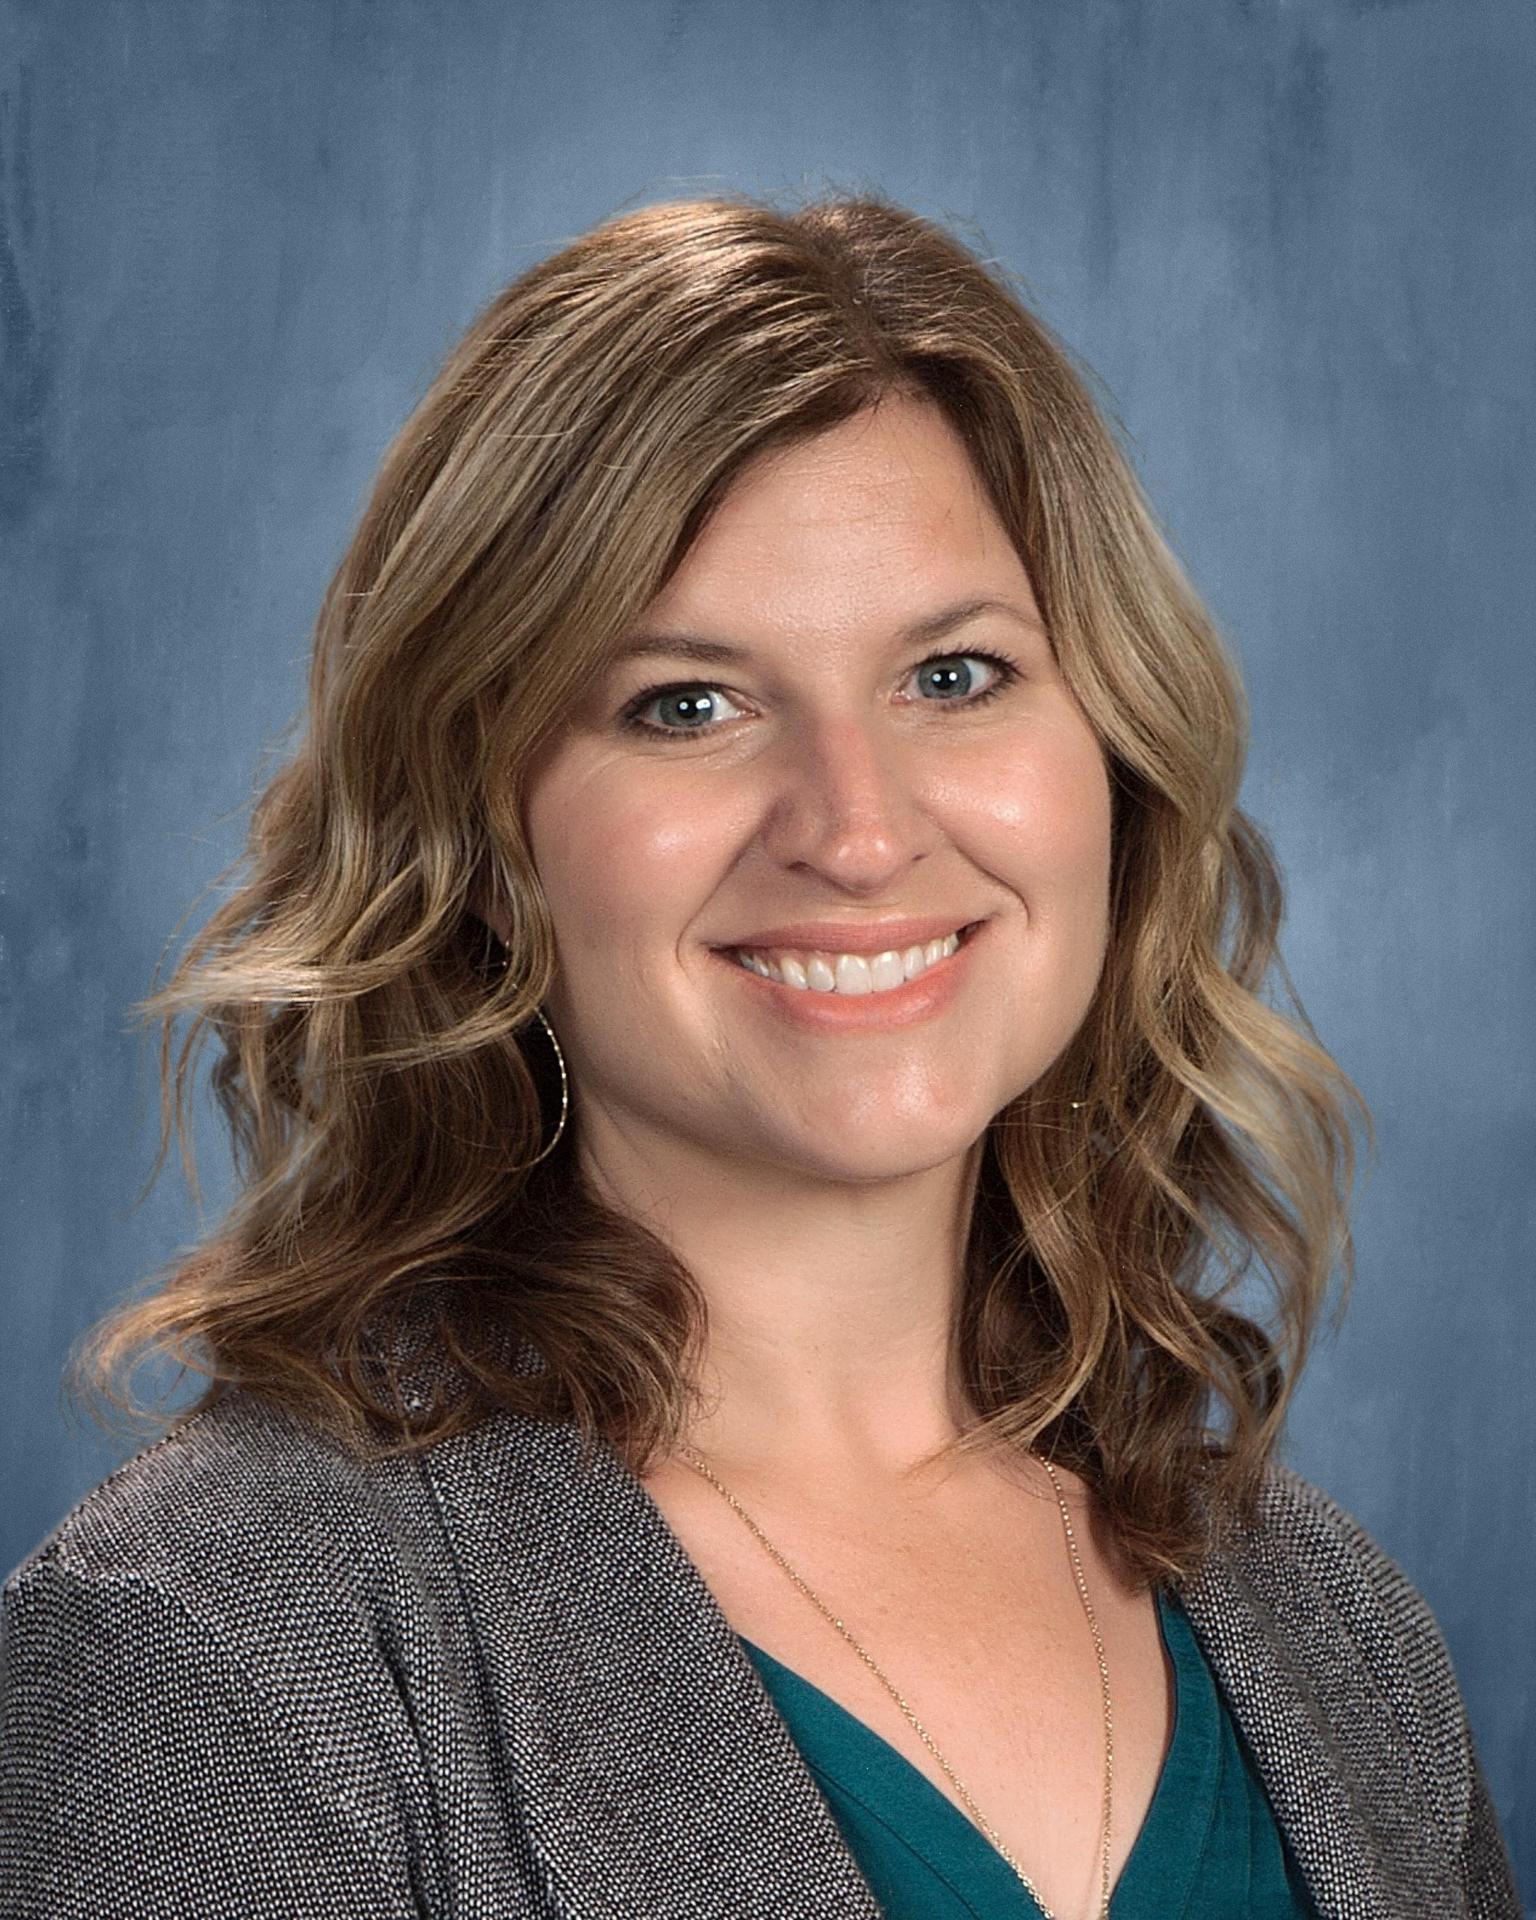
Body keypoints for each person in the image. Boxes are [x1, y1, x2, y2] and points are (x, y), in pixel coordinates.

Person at [0, 191, 1520, 1920]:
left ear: (1113, 760)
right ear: (479, 829)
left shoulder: (1341, 1641)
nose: (858, 833)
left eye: (954, 673)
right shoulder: (213, 1648)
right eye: (688, 705)